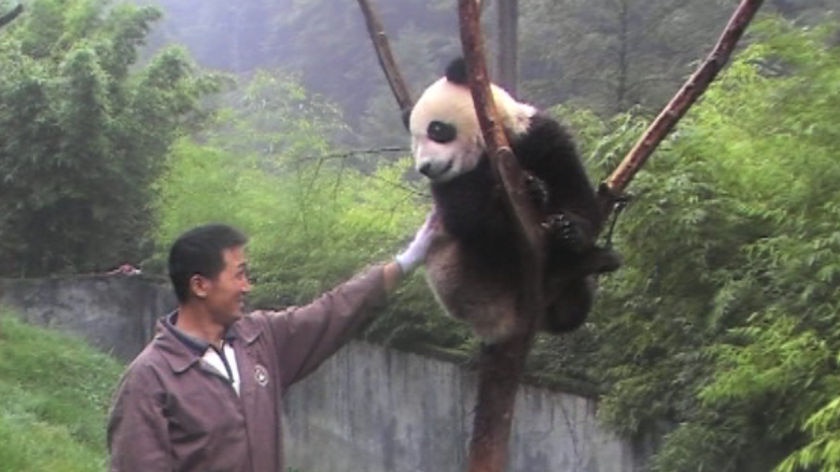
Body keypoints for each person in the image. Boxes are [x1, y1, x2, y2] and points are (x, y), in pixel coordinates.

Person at [107, 215, 437, 471]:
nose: (247, 286)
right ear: (200, 285)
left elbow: (331, 312)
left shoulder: (259, 340)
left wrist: (410, 259)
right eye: (239, 274)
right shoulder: (151, 379)